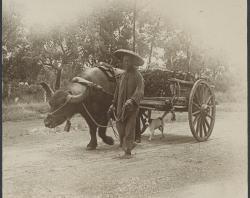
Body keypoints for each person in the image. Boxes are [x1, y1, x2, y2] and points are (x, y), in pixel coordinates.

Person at [108, 49, 144, 158]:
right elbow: (117, 92)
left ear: (133, 63)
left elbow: (140, 90)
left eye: (128, 61)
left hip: (131, 108)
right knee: (120, 127)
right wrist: (113, 104)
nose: (126, 63)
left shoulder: (138, 76)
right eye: (125, 61)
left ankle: (128, 151)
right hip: (120, 107)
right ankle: (129, 144)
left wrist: (132, 100)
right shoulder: (122, 76)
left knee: (129, 129)